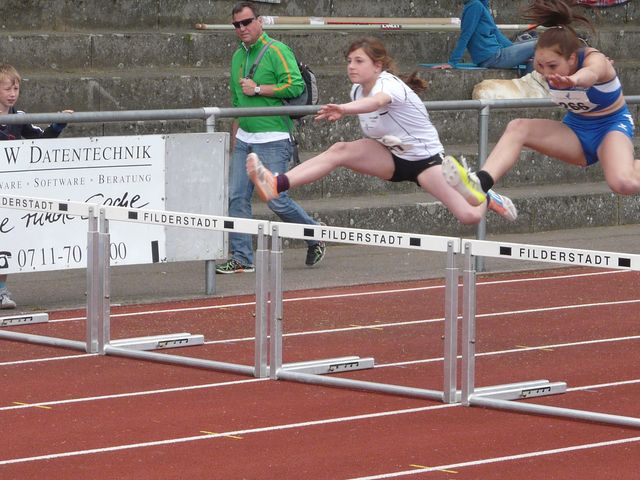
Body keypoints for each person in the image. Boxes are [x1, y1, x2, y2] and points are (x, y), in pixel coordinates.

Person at [246, 37, 518, 227]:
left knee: (470, 216)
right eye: (349, 61)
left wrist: (344, 109)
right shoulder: (356, 89)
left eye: (359, 61)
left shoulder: (389, 84)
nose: (351, 66)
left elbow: (377, 102)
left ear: (377, 66)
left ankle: (485, 194)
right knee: (339, 150)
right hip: (390, 156)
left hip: (426, 161)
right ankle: (277, 184)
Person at [441, 0, 639, 209]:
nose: (545, 72)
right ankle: (481, 184)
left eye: (552, 66)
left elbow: (592, 74)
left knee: (622, 182)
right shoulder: (549, 68)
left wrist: (573, 80)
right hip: (576, 131)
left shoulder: (594, 58)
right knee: (518, 127)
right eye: (539, 64)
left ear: (572, 59)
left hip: (610, 128)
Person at [216, 1, 326, 274]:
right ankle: (242, 257)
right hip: (245, 138)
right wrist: (236, 137)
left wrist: (258, 89)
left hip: (274, 138)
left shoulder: (277, 50)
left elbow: (295, 86)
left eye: (247, 22)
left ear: (259, 21)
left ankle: (314, 233)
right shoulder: (237, 56)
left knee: (275, 199)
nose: (242, 28)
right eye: (237, 24)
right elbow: (237, 102)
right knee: (237, 197)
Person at [0, 63, 72, 309]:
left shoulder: (20, 118)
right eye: (7, 89)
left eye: (16, 89)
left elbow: (41, 140)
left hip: (8, 191)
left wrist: (57, 125)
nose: (12, 94)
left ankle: (1, 290)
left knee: (5, 240)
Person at [432, 0, 536, 73]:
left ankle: (528, 86)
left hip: (497, 54)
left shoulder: (482, 6)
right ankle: (528, 88)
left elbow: (497, 34)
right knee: (538, 45)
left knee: (536, 48)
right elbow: (466, 35)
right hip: (493, 58)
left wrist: (519, 54)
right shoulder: (474, 5)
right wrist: (452, 62)